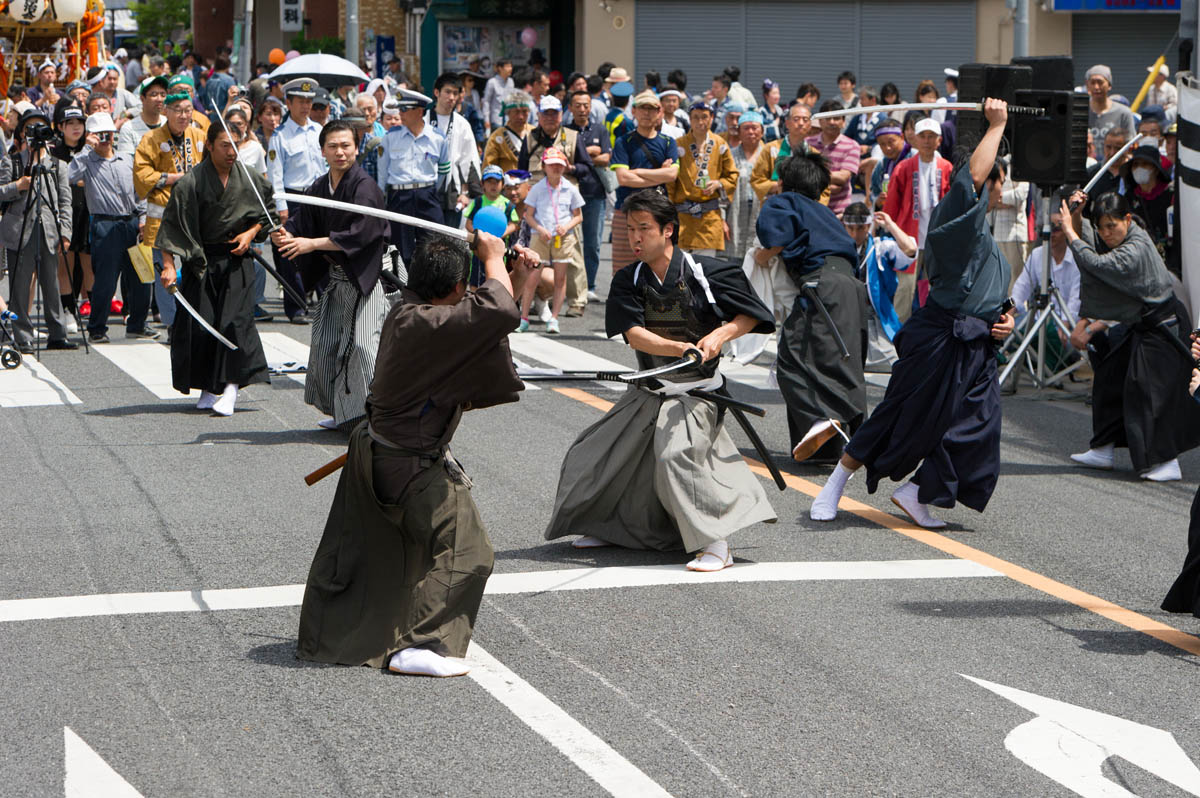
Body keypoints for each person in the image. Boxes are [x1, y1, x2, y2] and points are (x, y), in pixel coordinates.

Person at [296, 232, 538, 679]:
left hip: (391, 454)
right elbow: (496, 312)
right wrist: (491, 257)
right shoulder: (423, 324)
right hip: (408, 463)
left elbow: (493, 321)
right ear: (450, 290)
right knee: (470, 551)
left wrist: (513, 274)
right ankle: (421, 644)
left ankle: (407, 628)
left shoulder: (414, 312)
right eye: (464, 288)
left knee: (413, 550)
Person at [543, 188, 776, 571]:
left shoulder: (708, 272)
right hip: (651, 388)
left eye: (644, 228)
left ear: (668, 230)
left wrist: (719, 336)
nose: (635, 237)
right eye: (630, 229)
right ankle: (611, 527)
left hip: (696, 393)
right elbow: (634, 334)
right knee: (594, 453)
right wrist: (677, 347)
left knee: (674, 454)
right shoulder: (628, 279)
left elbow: (751, 315)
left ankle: (715, 543)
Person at [810, 99, 1017, 529]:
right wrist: (996, 125)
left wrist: (1006, 321)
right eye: (998, 179)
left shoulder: (987, 240)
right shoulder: (955, 214)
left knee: (979, 426)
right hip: (939, 335)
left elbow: (995, 297)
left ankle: (917, 492)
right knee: (900, 414)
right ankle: (835, 482)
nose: (1001, 187)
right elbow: (973, 177)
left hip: (978, 345)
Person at [1061, 191, 1200, 482]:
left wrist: (1069, 232)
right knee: (1111, 374)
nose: (1107, 233)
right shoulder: (1122, 237)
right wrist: (1077, 215)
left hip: (1164, 327)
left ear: (1127, 219)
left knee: (1146, 392)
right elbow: (1093, 243)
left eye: (1112, 225)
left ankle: (1165, 460)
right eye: (1102, 226)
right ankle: (1103, 447)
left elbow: (1097, 264)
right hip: (1141, 323)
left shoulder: (1134, 248)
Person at [272, 120, 392, 430]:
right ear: (322, 150)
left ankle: (372, 419)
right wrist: (286, 233)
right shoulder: (320, 185)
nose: (340, 152)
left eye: (346, 146)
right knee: (327, 345)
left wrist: (310, 243)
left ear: (356, 148)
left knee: (364, 348)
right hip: (339, 278)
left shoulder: (365, 187)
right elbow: (304, 220)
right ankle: (344, 414)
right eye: (333, 146)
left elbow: (361, 233)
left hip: (369, 278)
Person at [157, 121, 278, 416]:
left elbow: (268, 214)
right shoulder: (191, 182)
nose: (231, 152)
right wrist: (169, 266)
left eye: (235, 146)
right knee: (202, 325)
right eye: (224, 145)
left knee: (234, 323)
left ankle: (231, 387)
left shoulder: (250, 179)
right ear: (209, 146)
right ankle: (208, 387)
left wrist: (250, 235)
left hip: (237, 260)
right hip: (202, 261)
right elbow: (171, 226)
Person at [756, 152, 867, 462]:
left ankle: (821, 418)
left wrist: (763, 257)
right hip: (852, 288)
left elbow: (774, 239)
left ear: (784, 182)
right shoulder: (825, 211)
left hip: (821, 285)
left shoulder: (784, 201)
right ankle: (840, 446)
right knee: (843, 359)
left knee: (793, 358)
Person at [68, 111, 154, 343]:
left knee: (142, 278)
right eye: (99, 135)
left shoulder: (127, 158)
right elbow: (69, 176)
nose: (104, 139)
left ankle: (137, 323)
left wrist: (144, 218)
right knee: (105, 280)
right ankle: (97, 328)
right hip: (105, 224)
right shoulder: (86, 160)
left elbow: (141, 189)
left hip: (133, 221)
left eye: (108, 134)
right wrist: (86, 149)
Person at [0, 108, 76, 354]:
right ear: (22, 133)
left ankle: (58, 333)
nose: (35, 134)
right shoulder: (11, 161)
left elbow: (66, 201)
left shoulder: (57, 165)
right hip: (19, 229)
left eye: (40, 128)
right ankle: (22, 335)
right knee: (20, 285)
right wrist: (17, 186)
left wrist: (66, 232)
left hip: (50, 229)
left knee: (51, 283)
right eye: (30, 128)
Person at [133, 89, 206, 334]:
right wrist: (175, 178)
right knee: (165, 272)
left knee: (195, 270)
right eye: (177, 110)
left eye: (187, 110)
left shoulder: (198, 135)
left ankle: (194, 320)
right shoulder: (151, 139)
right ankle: (172, 324)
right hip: (162, 218)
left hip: (194, 218)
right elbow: (141, 175)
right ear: (166, 111)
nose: (183, 115)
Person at [268, 78, 326, 324]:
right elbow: (275, 173)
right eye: (300, 101)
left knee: (322, 252)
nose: (305, 106)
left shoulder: (320, 131)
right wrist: (281, 206)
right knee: (290, 255)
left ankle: (325, 304)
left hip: (319, 199)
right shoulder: (280, 136)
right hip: (292, 199)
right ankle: (296, 307)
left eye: (309, 101)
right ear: (288, 103)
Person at [882, 116, 951, 322]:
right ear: (914, 139)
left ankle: (933, 328)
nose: (927, 141)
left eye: (932, 136)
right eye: (923, 136)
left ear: (939, 140)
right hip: (908, 236)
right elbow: (892, 202)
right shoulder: (904, 167)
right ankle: (897, 331)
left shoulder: (947, 167)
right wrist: (889, 225)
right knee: (905, 287)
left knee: (937, 286)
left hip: (937, 238)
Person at [377, 88, 450, 267]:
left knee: (435, 245)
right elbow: (382, 174)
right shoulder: (390, 138)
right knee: (401, 250)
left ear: (419, 112)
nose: (399, 114)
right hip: (399, 197)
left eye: (404, 110)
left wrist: (432, 192)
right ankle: (404, 290)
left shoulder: (437, 137)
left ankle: (431, 289)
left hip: (428, 195)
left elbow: (444, 170)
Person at [843, 203, 917, 373]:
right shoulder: (838, 246)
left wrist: (890, 225)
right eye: (850, 228)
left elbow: (910, 249)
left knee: (897, 361)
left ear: (868, 226)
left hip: (874, 322)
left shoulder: (879, 248)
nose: (854, 234)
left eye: (860, 228)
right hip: (845, 320)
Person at [518, 147, 584, 334]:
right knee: (533, 276)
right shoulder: (537, 188)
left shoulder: (570, 188)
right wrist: (539, 229)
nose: (556, 168)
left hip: (563, 238)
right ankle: (523, 318)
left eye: (559, 165)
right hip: (540, 236)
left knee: (560, 278)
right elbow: (528, 215)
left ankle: (554, 318)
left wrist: (566, 227)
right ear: (544, 167)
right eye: (552, 165)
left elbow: (578, 216)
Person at [610, 91, 678, 271]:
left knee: (658, 265)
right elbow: (623, 178)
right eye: (643, 108)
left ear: (660, 112)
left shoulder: (669, 142)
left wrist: (638, 172)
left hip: (657, 213)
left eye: (652, 108)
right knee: (622, 268)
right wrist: (659, 174)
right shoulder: (623, 142)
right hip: (626, 210)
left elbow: (671, 176)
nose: (647, 113)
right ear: (634, 111)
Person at [669, 100, 738, 256]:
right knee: (681, 268)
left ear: (712, 118)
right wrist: (668, 211)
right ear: (690, 119)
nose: (700, 122)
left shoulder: (720, 144)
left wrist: (719, 184)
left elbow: (732, 175)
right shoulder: (678, 144)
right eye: (696, 117)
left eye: (704, 117)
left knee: (705, 270)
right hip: (683, 217)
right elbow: (670, 182)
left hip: (709, 217)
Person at [566, 89, 610, 300]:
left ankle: (590, 286)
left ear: (591, 107)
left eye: (586, 105)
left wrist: (581, 156)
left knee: (592, 244)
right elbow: (563, 159)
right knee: (568, 242)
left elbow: (607, 158)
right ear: (570, 108)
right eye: (578, 105)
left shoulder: (600, 129)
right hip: (569, 194)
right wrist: (591, 152)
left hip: (595, 193)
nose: (582, 109)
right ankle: (570, 286)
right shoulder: (565, 131)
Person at [426, 73, 481, 228]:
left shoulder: (462, 124)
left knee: (450, 240)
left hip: (453, 190)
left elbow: (468, 160)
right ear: (437, 93)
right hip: (427, 187)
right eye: (448, 92)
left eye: (455, 93)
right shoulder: (424, 120)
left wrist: (465, 193)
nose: (451, 97)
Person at [463, 164, 519, 286]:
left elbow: (514, 224)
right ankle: (475, 301)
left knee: (496, 279)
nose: (493, 185)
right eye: (489, 182)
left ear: (503, 184)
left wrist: (501, 233)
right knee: (475, 281)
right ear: (482, 184)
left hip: (499, 250)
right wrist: (479, 236)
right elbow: (468, 223)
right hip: (478, 249)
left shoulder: (507, 205)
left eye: (497, 182)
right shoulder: (478, 202)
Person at [806, 100, 860, 217]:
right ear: (820, 121)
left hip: (839, 214)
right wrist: (831, 185)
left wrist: (814, 179)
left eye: (836, 118)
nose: (831, 122)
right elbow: (801, 175)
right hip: (811, 210)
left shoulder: (852, 145)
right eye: (827, 118)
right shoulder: (807, 143)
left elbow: (842, 178)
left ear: (843, 122)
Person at [727, 110, 768, 263]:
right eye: (746, 128)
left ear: (762, 131)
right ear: (738, 131)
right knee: (733, 258)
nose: (751, 132)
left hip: (762, 211)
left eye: (755, 127)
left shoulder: (770, 154)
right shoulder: (729, 155)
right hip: (735, 211)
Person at [482, 90, 532, 173]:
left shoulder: (534, 132)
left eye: (524, 111)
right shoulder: (496, 136)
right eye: (516, 112)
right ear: (508, 113)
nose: (520, 116)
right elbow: (488, 166)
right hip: (506, 183)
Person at [1086, 65, 1136, 146]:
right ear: (1087, 86)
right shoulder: (1080, 112)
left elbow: (1131, 144)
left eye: (1100, 82)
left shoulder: (1124, 113)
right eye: (1092, 83)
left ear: (1109, 85)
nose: (1096, 87)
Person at [117, 75, 168, 156]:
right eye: (154, 94)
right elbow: (126, 163)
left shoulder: (169, 124)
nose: (159, 99)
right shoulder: (129, 128)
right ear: (142, 98)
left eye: (163, 94)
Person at [868, 119, 911, 208]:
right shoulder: (882, 165)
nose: (887, 148)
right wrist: (878, 200)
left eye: (891, 142)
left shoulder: (915, 157)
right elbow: (873, 193)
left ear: (902, 137)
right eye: (882, 144)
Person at [482, 58, 514, 131]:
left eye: (511, 66)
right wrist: (486, 119)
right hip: (496, 120)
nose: (510, 69)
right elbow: (486, 102)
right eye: (508, 66)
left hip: (509, 121)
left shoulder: (511, 82)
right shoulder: (492, 82)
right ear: (500, 68)